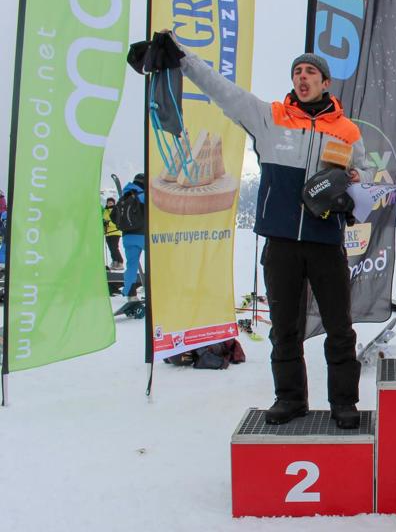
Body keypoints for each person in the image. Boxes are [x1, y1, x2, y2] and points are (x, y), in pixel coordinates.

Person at [166, 32, 372, 429]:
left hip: (326, 243)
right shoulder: (270, 117)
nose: (303, 76)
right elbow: (221, 90)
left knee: (339, 329)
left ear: (325, 83)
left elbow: (360, 177)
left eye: (311, 71)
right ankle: (290, 399)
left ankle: (344, 403)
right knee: (285, 329)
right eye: (297, 71)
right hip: (281, 244)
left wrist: (353, 191)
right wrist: (183, 59)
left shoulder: (347, 131)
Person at [121, 174, 147, 299]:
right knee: (156, 262)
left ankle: (130, 294)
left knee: (131, 265)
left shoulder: (124, 197)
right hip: (143, 235)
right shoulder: (143, 196)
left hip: (127, 237)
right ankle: (156, 289)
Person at [102, 197, 124, 270]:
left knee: (114, 247)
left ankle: (120, 262)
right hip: (108, 232)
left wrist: (108, 223)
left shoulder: (116, 210)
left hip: (115, 231)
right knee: (111, 248)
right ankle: (114, 261)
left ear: (114, 203)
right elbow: (104, 219)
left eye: (111, 203)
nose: (109, 204)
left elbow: (117, 221)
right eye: (108, 203)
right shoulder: (105, 211)